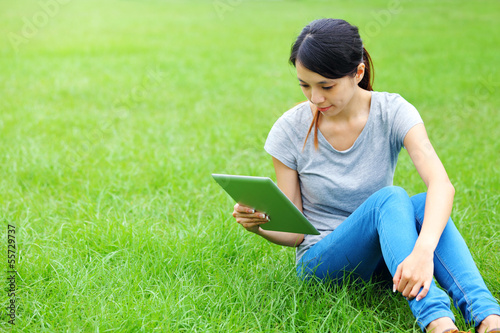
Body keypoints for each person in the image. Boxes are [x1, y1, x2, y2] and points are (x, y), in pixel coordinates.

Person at [231, 18, 500, 333]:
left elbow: (441, 183)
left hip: (388, 257)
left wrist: (423, 251)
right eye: (305, 85)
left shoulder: (392, 111)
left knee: (424, 202)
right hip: (322, 262)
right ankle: (438, 321)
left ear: (358, 73)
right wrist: (260, 227)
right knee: (392, 197)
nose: (315, 98)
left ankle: (487, 317)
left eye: (326, 86)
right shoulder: (290, 129)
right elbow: (294, 234)